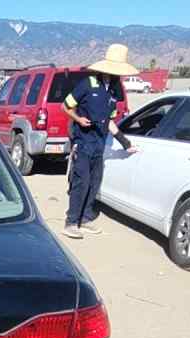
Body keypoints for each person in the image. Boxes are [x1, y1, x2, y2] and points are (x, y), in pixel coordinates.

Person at [61, 44, 141, 239]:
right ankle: (71, 222)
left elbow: (110, 121)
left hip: (99, 144)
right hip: (83, 142)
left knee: (94, 182)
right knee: (81, 182)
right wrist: (79, 119)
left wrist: (126, 143)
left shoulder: (113, 90)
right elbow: (65, 106)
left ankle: (86, 219)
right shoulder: (87, 84)